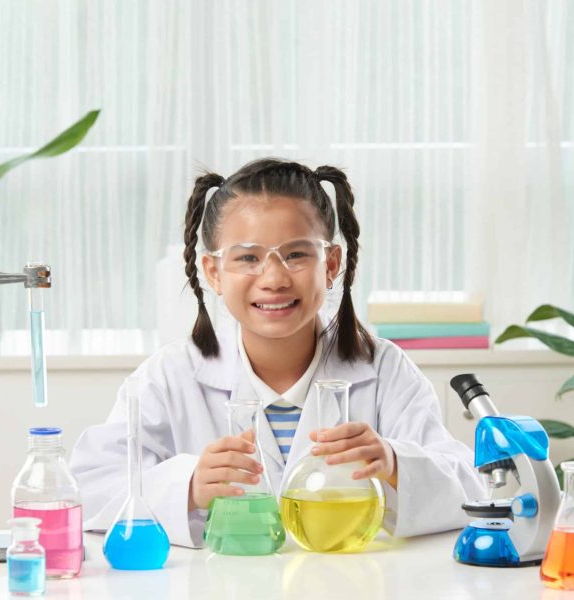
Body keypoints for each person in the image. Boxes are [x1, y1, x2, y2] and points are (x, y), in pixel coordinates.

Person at [70, 158, 486, 547]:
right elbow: (87, 489)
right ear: (213, 271)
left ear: (331, 263)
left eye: (297, 254)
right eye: (247, 257)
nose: (273, 278)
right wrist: (189, 486)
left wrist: (396, 464)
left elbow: (472, 487)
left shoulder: (383, 370)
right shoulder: (169, 376)